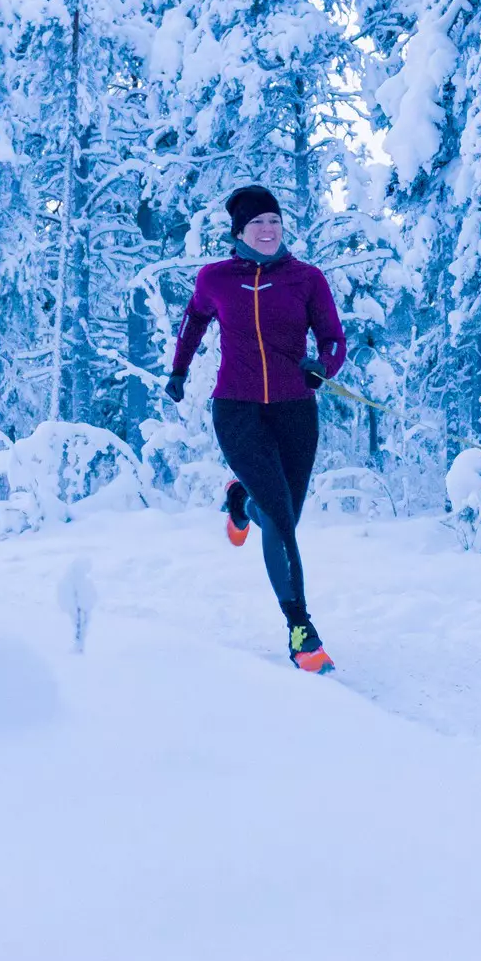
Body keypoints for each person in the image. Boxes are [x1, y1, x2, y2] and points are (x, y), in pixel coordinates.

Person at [165, 185, 347, 674]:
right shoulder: (215, 279)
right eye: (257, 224)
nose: (268, 231)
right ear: (238, 232)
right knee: (282, 521)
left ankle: (240, 501)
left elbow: (333, 338)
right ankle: (301, 630)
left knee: (284, 515)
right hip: (237, 410)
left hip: (294, 411)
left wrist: (323, 367)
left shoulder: (306, 280)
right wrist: (178, 371)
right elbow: (193, 322)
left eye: (274, 222)